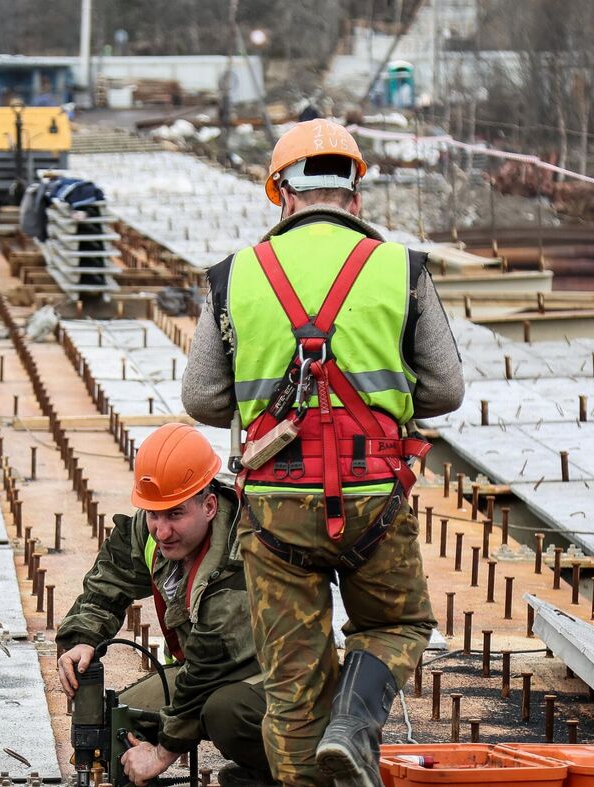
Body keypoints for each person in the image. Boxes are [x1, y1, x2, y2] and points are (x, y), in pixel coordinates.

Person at [181, 118, 464, 787]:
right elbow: (446, 387)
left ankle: (316, 754)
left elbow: (200, 397)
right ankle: (354, 725)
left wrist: (268, 408)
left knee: (291, 688)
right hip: (375, 500)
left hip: (276, 509)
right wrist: (376, 400)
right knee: (397, 620)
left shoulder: (236, 275)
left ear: (280, 192)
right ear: (355, 194)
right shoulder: (401, 269)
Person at [57, 424, 272, 787]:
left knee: (225, 714)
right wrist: (83, 638)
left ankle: (273, 776)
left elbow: (210, 668)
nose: (162, 531)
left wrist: (162, 753)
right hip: (203, 672)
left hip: (272, 676)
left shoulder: (240, 551)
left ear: (209, 505)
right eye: (154, 513)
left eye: (175, 514)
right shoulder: (149, 527)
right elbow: (107, 584)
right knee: (120, 725)